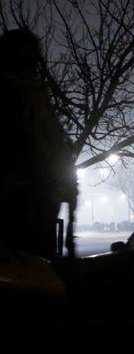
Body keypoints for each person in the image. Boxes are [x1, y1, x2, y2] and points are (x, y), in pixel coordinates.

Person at [0, 28, 78, 259]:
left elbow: (56, 151)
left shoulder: (36, 95)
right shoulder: (11, 93)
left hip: (40, 206)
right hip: (20, 210)